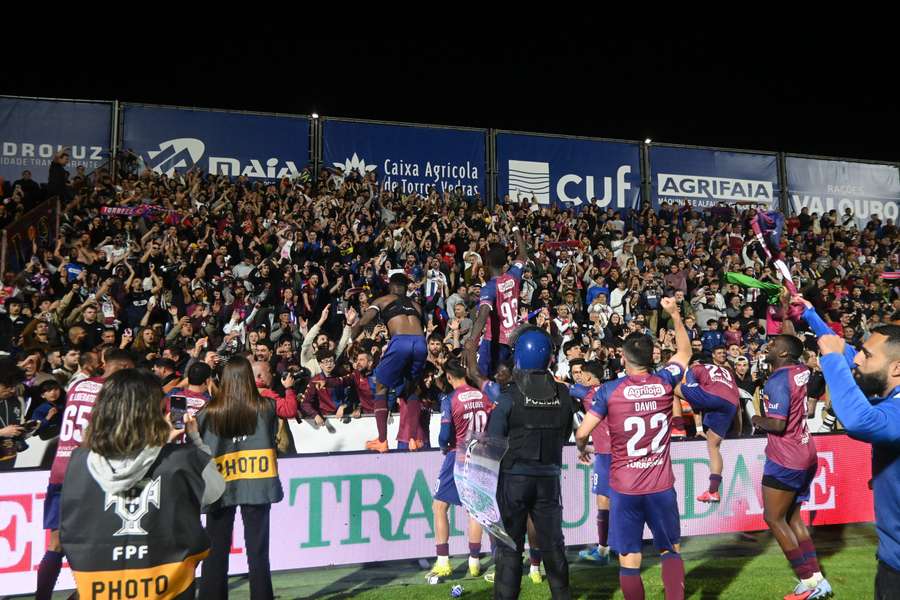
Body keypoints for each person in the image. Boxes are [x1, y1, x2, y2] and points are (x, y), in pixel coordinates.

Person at [59, 368, 224, 599]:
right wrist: (194, 441)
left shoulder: (80, 461)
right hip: (167, 586)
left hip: (100, 586)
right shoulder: (180, 458)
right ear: (153, 411)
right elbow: (215, 492)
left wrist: (161, 444)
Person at [575, 297, 691, 600]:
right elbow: (685, 352)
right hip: (661, 485)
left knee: (629, 558)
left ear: (624, 360)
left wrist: (582, 446)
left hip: (625, 488)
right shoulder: (666, 382)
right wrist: (675, 315)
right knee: (670, 549)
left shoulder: (609, 391)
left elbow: (582, 432)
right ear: (652, 358)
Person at [800, 295, 900, 599]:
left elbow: (859, 420)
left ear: (897, 369)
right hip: (892, 564)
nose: (857, 359)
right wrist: (810, 315)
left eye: (867, 355)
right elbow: (851, 356)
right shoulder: (888, 394)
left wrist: (829, 359)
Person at [34, 348, 135, 599]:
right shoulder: (116, 392)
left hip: (60, 469)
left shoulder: (80, 385)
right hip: (88, 473)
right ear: (123, 368)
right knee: (99, 544)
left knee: (55, 545)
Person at [198, 355, 298, 600]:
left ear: (223, 379)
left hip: (219, 485)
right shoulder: (265, 406)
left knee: (215, 552)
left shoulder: (207, 412)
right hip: (257, 483)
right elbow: (287, 414)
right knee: (258, 551)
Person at [487, 327, 573, 600]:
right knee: (553, 546)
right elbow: (566, 431)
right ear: (549, 358)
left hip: (513, 479)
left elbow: (493, 440)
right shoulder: (563, 394)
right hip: (548, 478)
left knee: (510, 549)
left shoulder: (508, 395)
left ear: (518, 358)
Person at [749, 334, 831, 600]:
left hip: (786, 458)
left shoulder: (777, 381)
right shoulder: (801, 369)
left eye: (773, 345)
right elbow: (791, 340)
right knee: (793, 517)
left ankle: (808, 582)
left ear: (784, 354)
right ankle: (817, 578)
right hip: (807, 452)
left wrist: (755, 417)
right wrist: (785, 305)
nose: (767, 346)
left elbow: (777, 425)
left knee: (773, 518)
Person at [426, 358, 491, 582]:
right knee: (474, 509)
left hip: (458, 454)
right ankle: (474, 562)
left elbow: (444, 436)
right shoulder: (484, 395)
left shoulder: (450, 399)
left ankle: (443, 563)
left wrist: (444, 446)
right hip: (481, 454)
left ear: (449, 377)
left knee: (439, 506)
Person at [349, 272, 427, 452]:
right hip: (421, 343)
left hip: (400, 341)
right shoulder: (416, 305)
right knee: (411, 388)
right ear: (406, 288)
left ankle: (382, 440)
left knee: (381, 386)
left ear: (390, 286)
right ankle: (413, 439)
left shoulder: (383, 300)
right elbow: (420, 327)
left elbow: (364, 321)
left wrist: (350, 338)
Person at [675, 353, 740, 503]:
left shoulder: (695, 368)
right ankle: (713, 491)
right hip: (731, 404)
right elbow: (736, 402)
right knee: (713, 446)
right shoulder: (728, 373)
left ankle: (677, 425)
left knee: (673, 386)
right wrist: (738, 429)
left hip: (711, 397)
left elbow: (693, 394)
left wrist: (697, 427)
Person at [469, 228, 528, 378]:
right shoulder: (513, 276)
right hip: (512, 339)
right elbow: (523, 255)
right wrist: (515, 231)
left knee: (484, 379)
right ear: (504, 264)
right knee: (506, 378)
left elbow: (482, 317)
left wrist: (470, 342)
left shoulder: (489, 288)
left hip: (493, 342)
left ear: (487, 264)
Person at [570, 360, 613, 565]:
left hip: (605, 455)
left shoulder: (585, 393)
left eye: (581, 374)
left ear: (588, 377)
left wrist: (582, 448)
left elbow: (560, 385)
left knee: (603, 501)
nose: (578, 377)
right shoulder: (612, 389)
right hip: (621, 452)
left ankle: (603, 550)